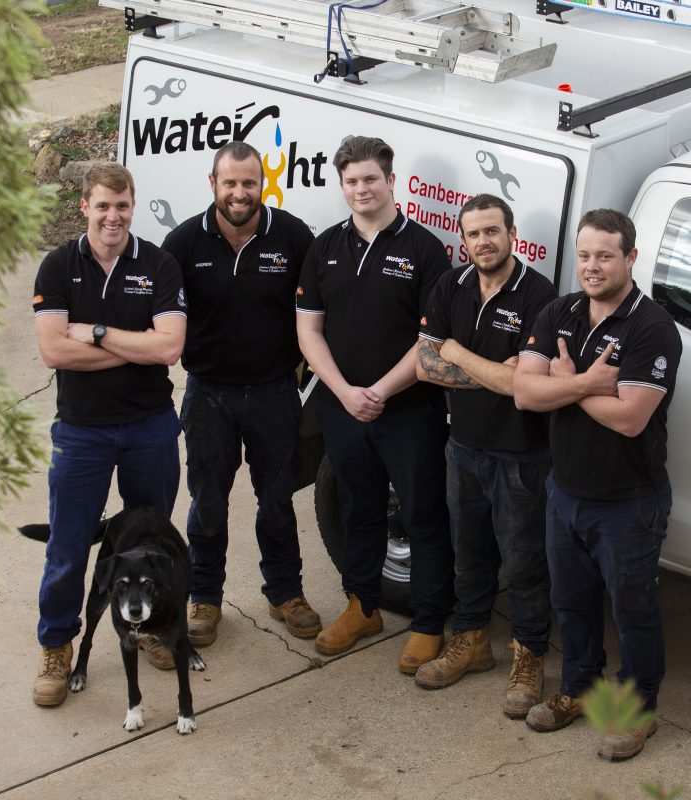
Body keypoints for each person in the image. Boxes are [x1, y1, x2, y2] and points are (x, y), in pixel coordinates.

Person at [514, 209, 681, 761]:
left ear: (630, 258)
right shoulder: (559, 311)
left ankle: (636, 713)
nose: (592, 266)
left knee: (633, 612)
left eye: (605, 255)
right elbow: (524, 394)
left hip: (628, 504)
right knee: (573, 602)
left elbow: (631, 417)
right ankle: (578, 689)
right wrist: (587, 384)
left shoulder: (651, 327)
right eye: (584, 255)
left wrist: (563, 385)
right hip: (566, 493)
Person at [31, 162, 187, 707]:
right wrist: (131, 347)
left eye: (121, 206)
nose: (112, 216)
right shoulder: (57, 266)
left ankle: (152, 631)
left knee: (151, 545)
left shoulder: (159, 264)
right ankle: (57, 646)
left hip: (149, 427)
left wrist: (95, 335)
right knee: (69, 546)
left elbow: (168, 349)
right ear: (85, 208)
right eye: (102, 206)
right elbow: (53, 351)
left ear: (132, 205)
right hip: (82, 432)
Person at [295, 135, 453, 671]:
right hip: (343, 410)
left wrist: (381, 391)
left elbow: (431, 342)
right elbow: (309, 329)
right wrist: (343, 392)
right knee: (357, 510)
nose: (361, 189)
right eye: (351, 181)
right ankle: (362, 607)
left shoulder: (424, 249)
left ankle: (430, 622)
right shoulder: (325, 247)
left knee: (424, 515)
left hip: (408, 413)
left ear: (392, 181)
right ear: (341, 186)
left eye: (370, 179)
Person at [161, 142, 319, 648]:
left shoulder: (292, 236)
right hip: (208, 394)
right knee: (208, 500)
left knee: (277, 497)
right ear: (213, 184)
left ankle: (285, 592)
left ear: (262, 184)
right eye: (229, 183)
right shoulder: (183, 243)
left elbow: (318, 311)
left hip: (275, 392)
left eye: (249, 182)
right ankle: (204, 596)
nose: (239, 193)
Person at [413, 194, 558, 718]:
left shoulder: (540, 295)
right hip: (463, 448)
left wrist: (454, 351)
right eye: (473, 234)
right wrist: (490, 371)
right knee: (468, 553)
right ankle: (471, 642)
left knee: (524, 561)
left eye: (492, 231)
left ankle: (528, 655)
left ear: (512, 233)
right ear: (463, 239)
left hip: (521, 456)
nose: (483, 242)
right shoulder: (450, 285)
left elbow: (523, 386)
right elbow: (425, 366)